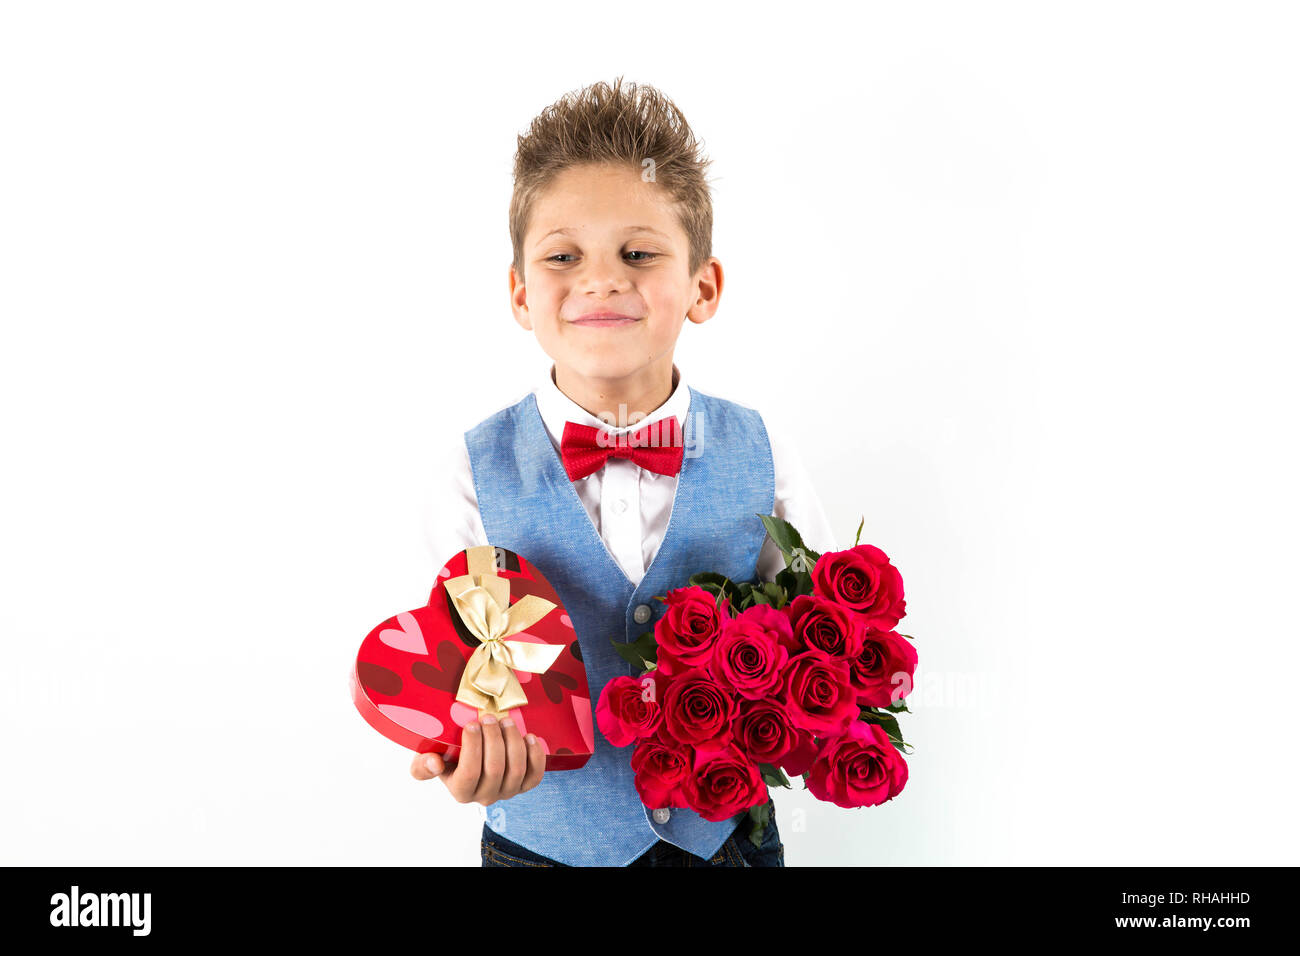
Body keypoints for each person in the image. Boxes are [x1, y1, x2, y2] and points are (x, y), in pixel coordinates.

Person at [410, 77, 837, 866]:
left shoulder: (762, 448)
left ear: (703, 286)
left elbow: (821, 641)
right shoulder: (470, 470)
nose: (601, 279)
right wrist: (460, 754)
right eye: (564, 256)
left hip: (728, 847)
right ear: (519, 292)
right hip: (538, 847)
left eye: (638, 253)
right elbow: (450, 677)